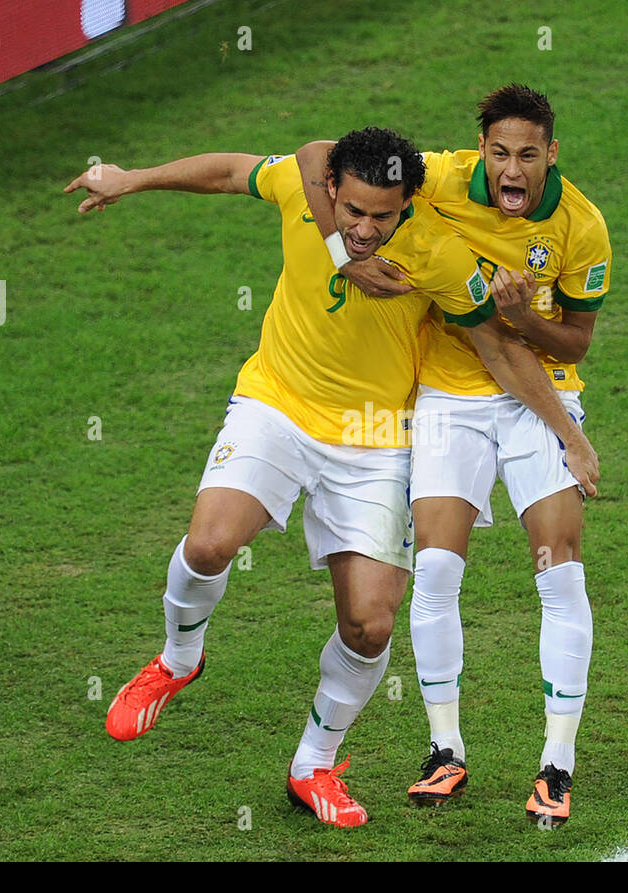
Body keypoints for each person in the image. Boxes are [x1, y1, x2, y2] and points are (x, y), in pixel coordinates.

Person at [63, 127, 598, 827]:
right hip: (278, 406)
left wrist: (568, 432)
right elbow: (242, 167)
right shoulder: (308, 190)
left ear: (408, 202)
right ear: (333, 195)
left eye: (384, 216)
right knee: (208, 545)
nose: (368, 228)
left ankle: (313, 764)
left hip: (378, 442)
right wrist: (132, 177)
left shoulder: (440, 255)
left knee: (371, 625)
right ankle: (177, 657)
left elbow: (497, 348)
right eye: (354, 214)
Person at [294, 85, 611, 825]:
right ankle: (445, 753)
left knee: (558, 571)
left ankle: (556, 768)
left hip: (539, 393)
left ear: (550, 155)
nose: (512, 167)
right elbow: (318, 158)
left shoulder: (582, 226)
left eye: (527, 154)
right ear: (483, 151)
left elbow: (578, 342)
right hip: (448, 396)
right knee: (435, 567)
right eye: (500, 152)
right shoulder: (435, 175)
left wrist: (525, 319)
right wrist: (342, 254)